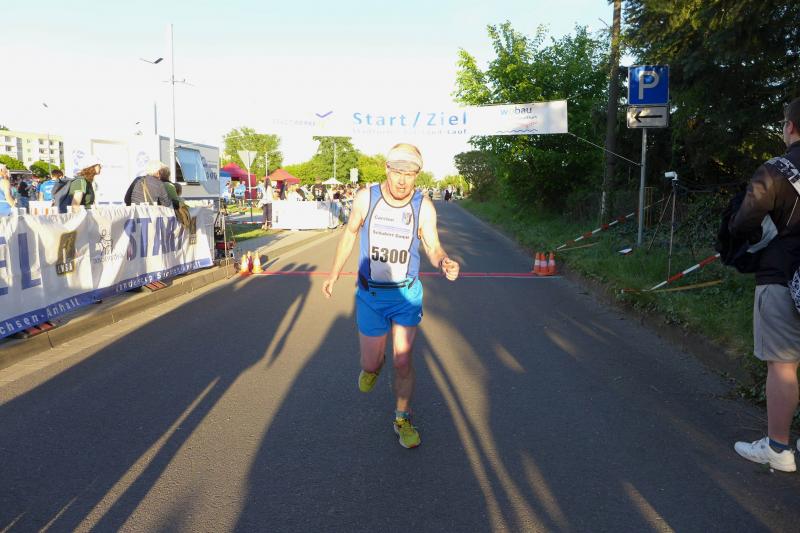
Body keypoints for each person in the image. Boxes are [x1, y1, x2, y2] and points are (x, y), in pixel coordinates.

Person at [322, 143, 460, 449]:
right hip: (370, 296)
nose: (402, 180)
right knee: (371, 363)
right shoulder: (366, 198)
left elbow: (433, 246)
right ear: (386, 169)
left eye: (409, 174)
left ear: (417, 175)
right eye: (397, 172)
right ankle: (374, 366)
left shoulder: (423, 206)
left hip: (405, 296)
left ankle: (402, 418)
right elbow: (350, 233)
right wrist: (333, 274)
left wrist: (444, 261)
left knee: (403, 359)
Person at [732, 97, 800, 473]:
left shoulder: (775, 170)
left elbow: (744, 221)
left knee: (783, 365)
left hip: (781, 275)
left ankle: (778, 448)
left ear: (789, 126)